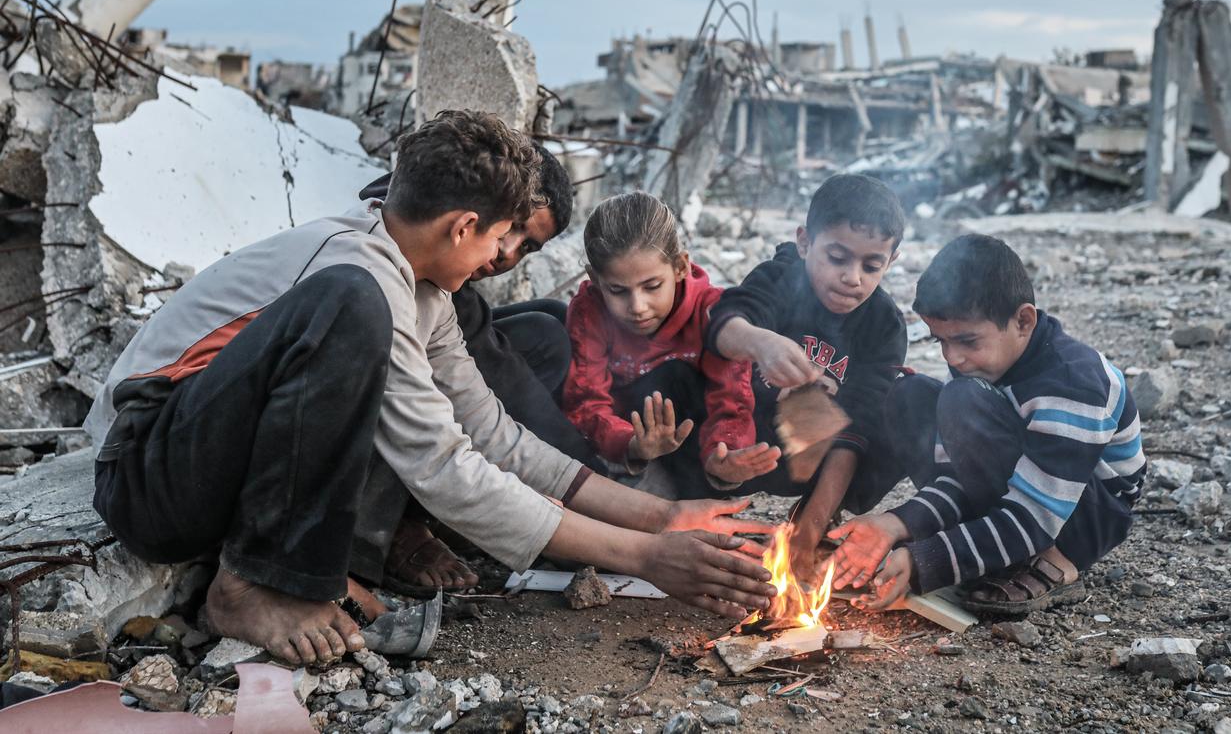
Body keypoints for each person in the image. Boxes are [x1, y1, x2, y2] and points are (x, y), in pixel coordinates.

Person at [87, 111, 776, 667]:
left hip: (206, 469)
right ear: (463, 226)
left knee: (436, 353)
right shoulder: (358, 274)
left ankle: (299, 568)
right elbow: (443, 467)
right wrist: (645, 559)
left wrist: (659, 518)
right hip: (147, 475)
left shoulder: (423, 290)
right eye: (499, 238)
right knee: (349, 303)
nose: (498, 258)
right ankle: (248, 585)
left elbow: (492, 435)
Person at [828, 234, 1144, 616]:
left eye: (967, 341)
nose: (953, 357)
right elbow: (957, 478)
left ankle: (1058, 560)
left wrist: (926, 561)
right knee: (909, 394)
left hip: (1082, 516)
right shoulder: (981, 363)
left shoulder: (1073, 383)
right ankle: (991, 541)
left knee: (961, 398)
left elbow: (1035, 514)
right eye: (941, 341)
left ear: (1023, 321)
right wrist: (896, 524)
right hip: (1017, 493)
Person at [354, 148, 592, 594]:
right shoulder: (383, 256)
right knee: (418, 385)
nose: (508, 252)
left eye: (528, 246)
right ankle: (389, 529)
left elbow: (488, 411)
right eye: (512, 228)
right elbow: (481, 398)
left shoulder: (442, 285)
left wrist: (585, 479)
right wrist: (594, 508)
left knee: (546, 326)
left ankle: (483, 495)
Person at [706, 174, 908, 574]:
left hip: (818, 461)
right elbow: (722, 325)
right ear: (804, 242)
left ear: (891, 262)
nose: (853, 278)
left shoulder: (884, 325)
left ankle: (818, 512)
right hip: (741, 444)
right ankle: (707, 492)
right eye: (837, 258)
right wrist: (761, 343)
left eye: (871, 266)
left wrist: (809, 530)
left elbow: (859, 430)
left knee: (903, 404)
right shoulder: (780, 278)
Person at [563, 191, 781, 499]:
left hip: (694, 443)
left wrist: (725, 452)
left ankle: (697, 492)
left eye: (652, 286)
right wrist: (632, 444)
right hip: (624, 446)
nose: (637, 307)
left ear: (680, 266)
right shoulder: (590, 312)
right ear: (595, 279)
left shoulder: (712, 311)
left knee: (679, 374)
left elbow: (731, 398)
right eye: (618, 291)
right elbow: (585, 401)